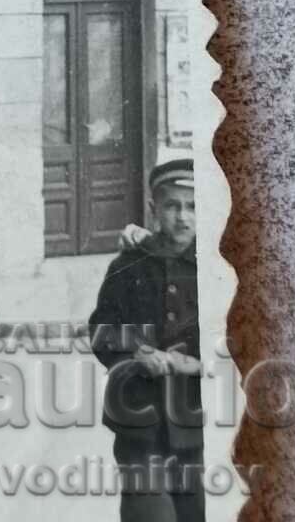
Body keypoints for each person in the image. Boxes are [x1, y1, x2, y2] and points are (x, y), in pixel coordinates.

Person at [89, 159, 204, 522]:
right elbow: (101, 329)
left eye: (193, 206)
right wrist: (135, 353)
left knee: (195, 512)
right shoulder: (128, 264)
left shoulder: (217, 265)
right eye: (172, 206)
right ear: (155, 210)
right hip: (139, 420)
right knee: (148, 513)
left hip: (200, 422)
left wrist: (196, 362)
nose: (183, 217)